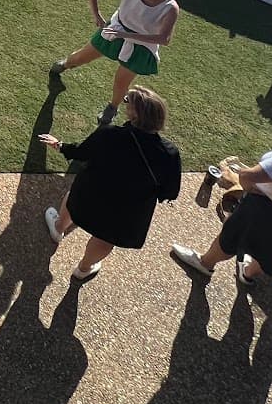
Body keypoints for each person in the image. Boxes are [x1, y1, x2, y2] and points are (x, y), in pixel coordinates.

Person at [39, 86, 181, 280]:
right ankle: (84, 269)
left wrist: (59, 144)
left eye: (127, 102)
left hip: (91, 192)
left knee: (73, 199)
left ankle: (58, 229)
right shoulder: (170, 153)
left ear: (134, 114)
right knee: (106, 238)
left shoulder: (109, 134)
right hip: (128, 211)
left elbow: (80, 153)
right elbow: (170, 192)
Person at [51, 0, 179, 125]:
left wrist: (126, 35)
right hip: (115, 31)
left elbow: (164, 39)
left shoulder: (170, 8)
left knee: (121, 82)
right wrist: (97, 15)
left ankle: (112, 108)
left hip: (141, 44)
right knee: (80, 58)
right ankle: (66, 64)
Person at [171, 152, 272, 287]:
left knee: (231, 237)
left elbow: (247, 176)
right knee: (268, 252)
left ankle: (205, 263)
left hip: (262, 207)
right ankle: (248, 273)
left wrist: (251, 191)